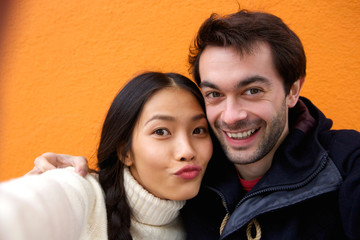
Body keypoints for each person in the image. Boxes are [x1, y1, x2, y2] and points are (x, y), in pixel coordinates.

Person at [29, 10, 360, 240]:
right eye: (215, 94)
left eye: (252, 90)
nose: (231, 116)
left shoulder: (347, 163)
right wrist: (66, 181)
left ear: (292, 90)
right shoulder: (195, 174)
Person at [0, 71, 213, 240]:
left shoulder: (208, 220)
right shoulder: (84, 193)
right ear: (125, 152)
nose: (187, 151)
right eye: (161, 132)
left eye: (198, 130)